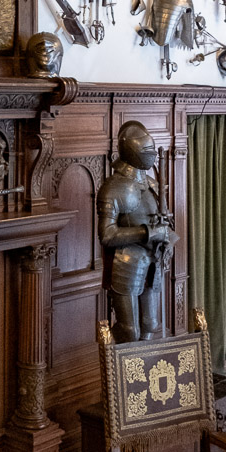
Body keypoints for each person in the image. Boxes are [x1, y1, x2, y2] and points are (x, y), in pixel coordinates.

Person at [96, 120, 175, 341]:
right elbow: (106, 235)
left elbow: (163, 220)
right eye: (146, 151)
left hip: (153, 258)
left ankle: (143, 364)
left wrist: (168, 239)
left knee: (150, 324)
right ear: (132, 151)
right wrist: (147, 233)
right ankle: (111, 359)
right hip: (127, 261)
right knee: (129, 331)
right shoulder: (113, 187)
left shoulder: (152, 183)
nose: (151, 156)